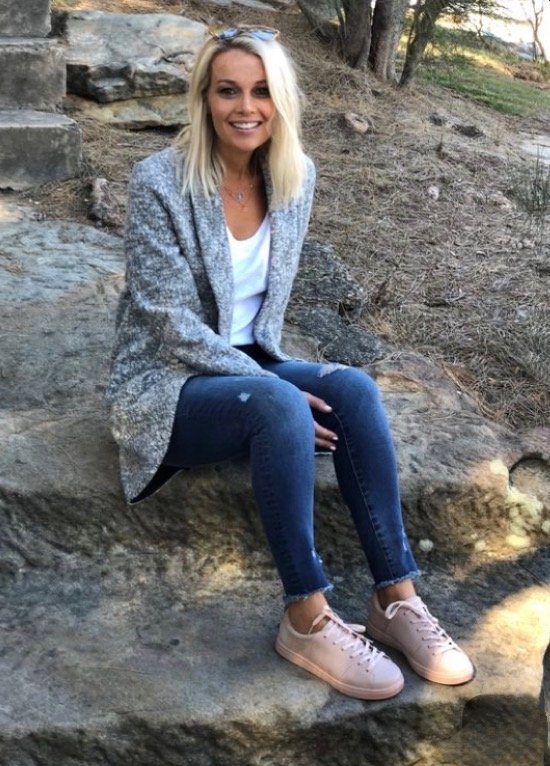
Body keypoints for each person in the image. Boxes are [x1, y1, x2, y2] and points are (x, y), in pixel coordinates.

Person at [106, 24, 475, 701]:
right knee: (279, 403)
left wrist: (267, 380)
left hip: (251, 362)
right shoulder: (159, 181)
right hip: (166, 381)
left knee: (353, 389)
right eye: (228, 91)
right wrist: (269, 392)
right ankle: (306, 616)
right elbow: (167, 320)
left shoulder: (293, 178)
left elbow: (260, 325)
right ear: (204, 97)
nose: (246, 108)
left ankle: (395, 600)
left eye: (262, 91)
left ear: (281, 100)